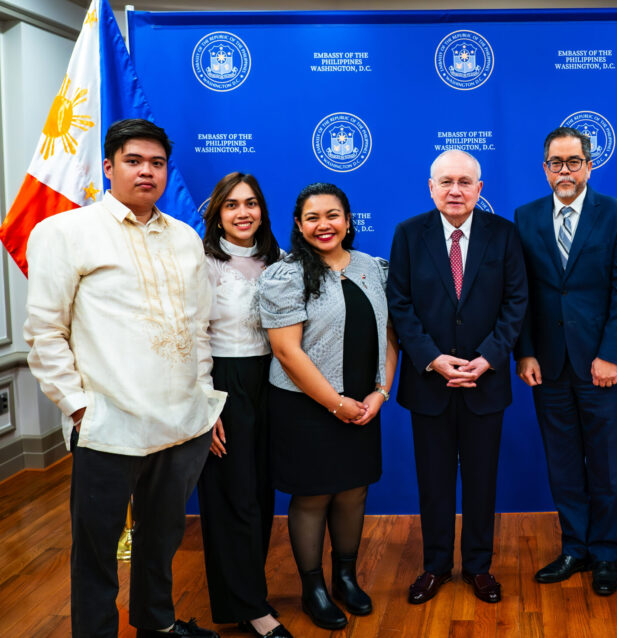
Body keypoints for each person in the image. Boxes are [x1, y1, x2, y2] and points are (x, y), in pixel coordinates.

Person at [24, 119, 224, 638]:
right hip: (109, 426)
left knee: (161, 541)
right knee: (97, 550)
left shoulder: (184, 238)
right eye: (134, 161)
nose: (147, 172)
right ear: (109, 167)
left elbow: (200, 328)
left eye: (157, 163)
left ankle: (156, 624)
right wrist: (78, 407)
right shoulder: (67, 232)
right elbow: (45, 332)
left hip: (183, 425)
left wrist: (202, 400)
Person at [387, 149, 527, 605]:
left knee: (483, 481)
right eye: (446, 181)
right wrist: (433, 358)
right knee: (434, 481)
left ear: (479, 189)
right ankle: (435, 566)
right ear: (431, 187)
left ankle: (479, 567)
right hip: (430, 383)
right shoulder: (409, 234)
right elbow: (400, 305)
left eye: (465, 182)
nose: (455, 190)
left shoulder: (504, 235)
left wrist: (487, 358)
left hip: (486, 382)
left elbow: (515, 303)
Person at [258, 182, 397, 630]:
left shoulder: (373, 268)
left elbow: (391, 337)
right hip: (306, 405)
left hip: (363, 401)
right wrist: (336, 404)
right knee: (313, 494)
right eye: (313, 217)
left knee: (354, 489)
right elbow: (286, 351)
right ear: (299, 225)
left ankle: (345, 577)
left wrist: (380, 392)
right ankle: (313, 587)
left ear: (348, 220)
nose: (324, 225)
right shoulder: (287, 273)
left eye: (332, 215)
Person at [514, 127, 617, 596]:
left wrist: (611, 354)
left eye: (573, 162)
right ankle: (575, 547)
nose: (564, 171)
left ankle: (607, 553)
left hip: (602, 365)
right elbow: (520, 292)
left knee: (607, 464)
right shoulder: (524, 217)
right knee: (563, 461)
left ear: (589, 165)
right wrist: (524, 350)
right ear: (545, 167)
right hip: (547, 364)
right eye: (556, 162)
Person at [195, 173, 289, 637]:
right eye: (232, 205)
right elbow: (192, 338)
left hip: (272, 380)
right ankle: (254, 609)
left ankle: (247, 594)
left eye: (251, 203)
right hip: (223, 383)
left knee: (261, 496)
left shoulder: (281, 260)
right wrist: (206, 407)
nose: (243, 212)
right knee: (232, 500)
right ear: (217, 213)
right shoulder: (202, 263)